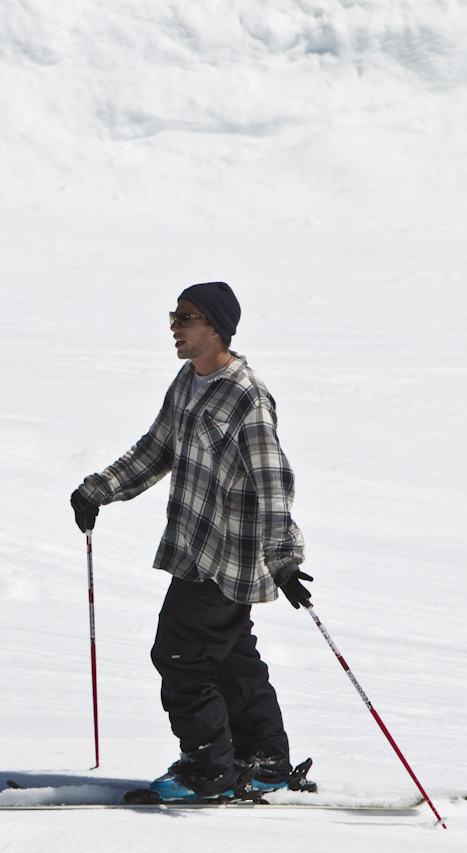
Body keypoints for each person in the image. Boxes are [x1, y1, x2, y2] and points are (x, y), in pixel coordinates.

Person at [70, 281, 313, 803]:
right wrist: (100, 490)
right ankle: (265, 759)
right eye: (174, 316)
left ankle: (208, 769)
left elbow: (273, 482)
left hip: (227, 559)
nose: (175, 326)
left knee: (182, 658)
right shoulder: (188, 381)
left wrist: (285, 558)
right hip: (194, 549)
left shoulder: (245, 395)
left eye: (186, 317)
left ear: (216, 327)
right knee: (230, 658)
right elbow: (158, 449)